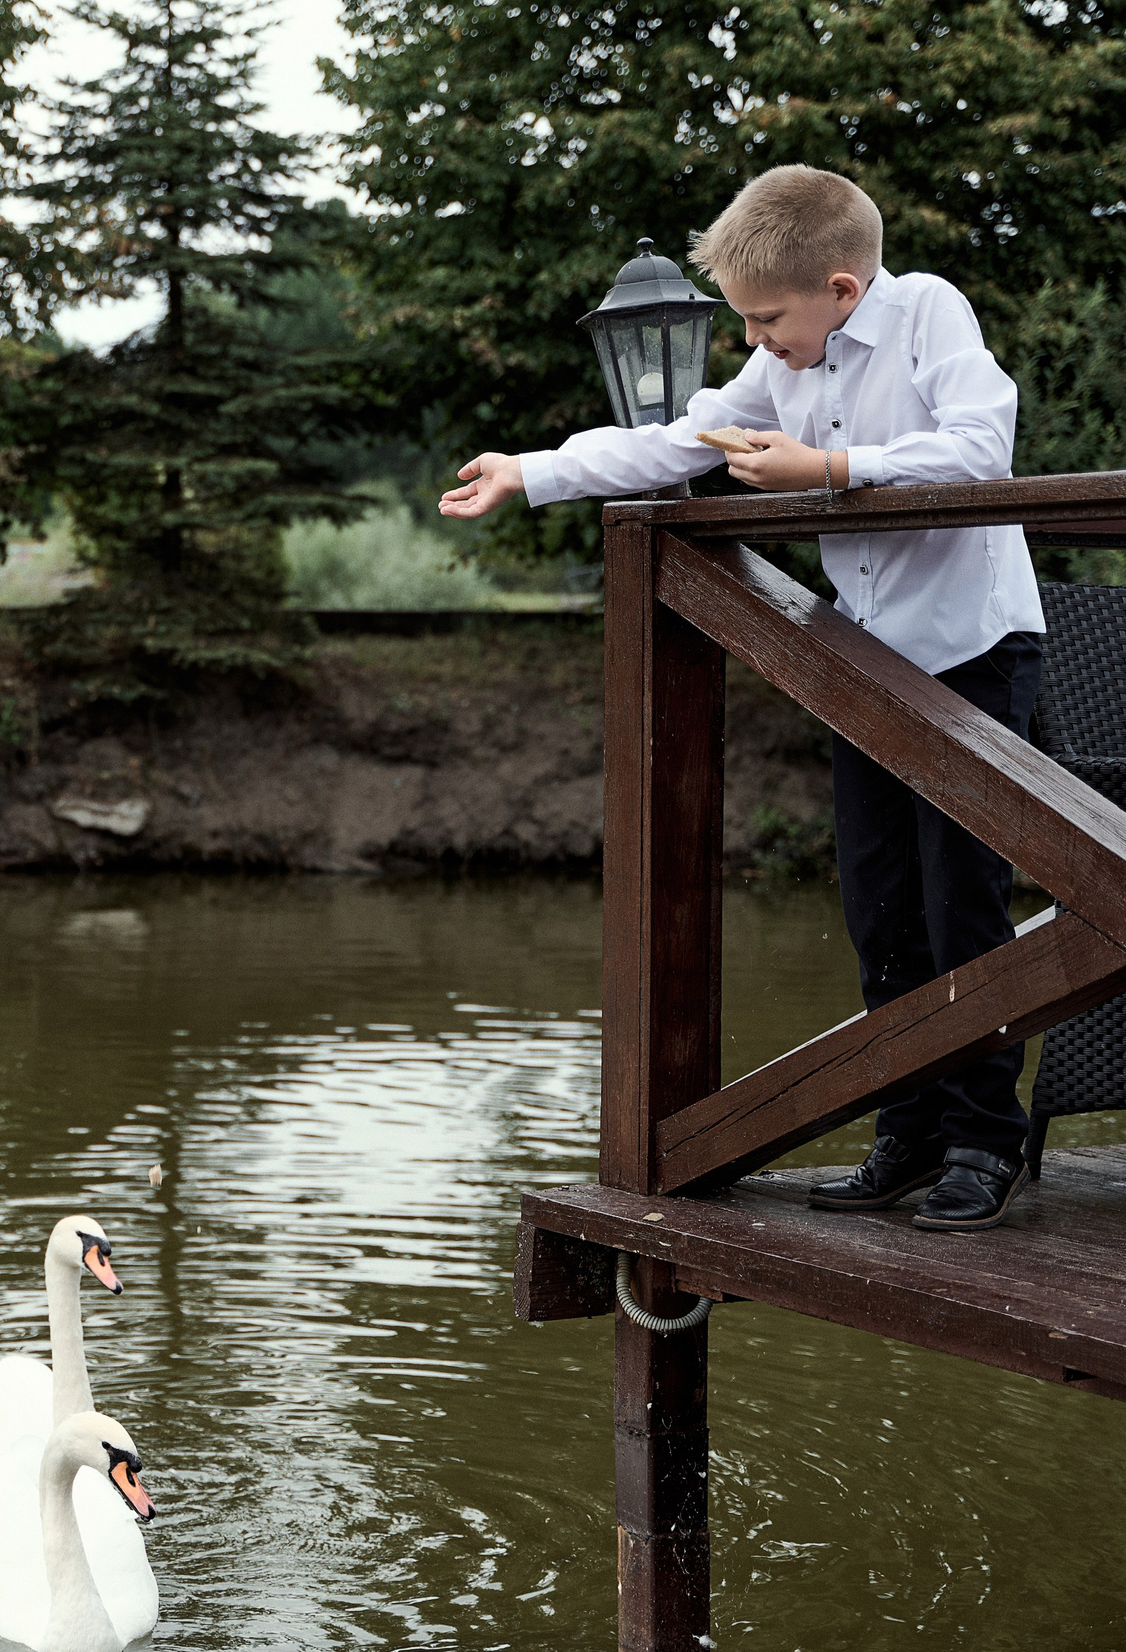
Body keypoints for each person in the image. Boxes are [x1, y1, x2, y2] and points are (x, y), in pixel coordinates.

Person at [439, 164, 1046, 1231]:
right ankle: (907, 1129)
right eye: (748, 323)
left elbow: (980, 449)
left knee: (963, 907)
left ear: (842, 290)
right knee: (879, 912)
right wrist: (530, 470)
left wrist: (828, 467)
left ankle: (985, 1142)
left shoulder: (927, 311)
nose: (755, 340)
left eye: (767, 320)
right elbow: (681, 437)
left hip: (975, 650)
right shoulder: (782, 361)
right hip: (866, 662)